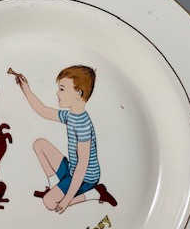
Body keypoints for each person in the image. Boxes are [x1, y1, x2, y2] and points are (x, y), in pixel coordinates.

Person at [12, 65, 117, 214]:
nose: (57, 93)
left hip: (85, 178)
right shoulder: (71, 116)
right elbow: (43, 111)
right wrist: (26, 89)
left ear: (78, 93)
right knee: (39, 144)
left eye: (62, 89)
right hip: (72, 170)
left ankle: (95, 193)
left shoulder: (83, 125)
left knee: (49, 203)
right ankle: (54, 186)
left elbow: (82, 165)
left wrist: (67, 199)